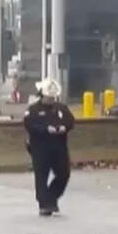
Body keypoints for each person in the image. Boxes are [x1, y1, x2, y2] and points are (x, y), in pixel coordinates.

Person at [23, 79, 75, 216]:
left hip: (59, 146)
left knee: (64, 174)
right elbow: (29, 124)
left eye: (53, 97)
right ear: (42, 95)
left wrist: (64, 127)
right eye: (48, 97)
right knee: (41, 176)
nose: (51, 100)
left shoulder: (61, 109)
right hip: (40, 147)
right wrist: (46, 129)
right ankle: (44, 204)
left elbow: (70, 120)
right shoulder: (33, 110)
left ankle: (51, 197)